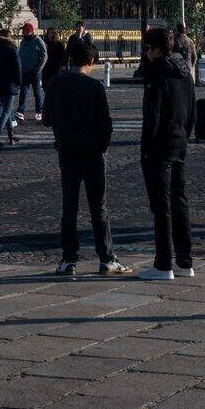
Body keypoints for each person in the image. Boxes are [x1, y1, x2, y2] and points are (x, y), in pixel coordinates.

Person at [43, 38, 130, 277]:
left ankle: (68, 259)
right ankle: (106, 258)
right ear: (90, 61)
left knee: (69, 207)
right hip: (92, 153)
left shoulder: (55, 83)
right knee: (98, 207)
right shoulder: (94, 87)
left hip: (67, 152)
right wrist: (101, 146)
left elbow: (47, 118)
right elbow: (105, 124)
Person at [137, 27, 194, 280]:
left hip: (159, 145)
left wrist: (147, 145)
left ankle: (163, 264)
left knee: (161, 206)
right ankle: (185, 261)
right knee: (179, 201)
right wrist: (184, 135)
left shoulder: (156, 71)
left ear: (156, 49)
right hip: (180, 141)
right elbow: (192, 109)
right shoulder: (184, 70)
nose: (145, 54)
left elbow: (153, 114)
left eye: (147, 48)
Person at [0, 26, 22, 148]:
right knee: (7, 109)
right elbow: (17, 68)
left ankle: (11, 136)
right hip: (10, 82)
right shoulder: (12, 49)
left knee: (8, 109)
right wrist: (19, 82)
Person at [18, 22, 48, 120]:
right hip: (24, 71)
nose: (24, 32)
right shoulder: (23, 41)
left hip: (35, 72)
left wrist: (38, 68)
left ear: (30, 31)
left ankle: (39, 111)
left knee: (37, 92)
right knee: (23, 92)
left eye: (26, 30)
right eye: (23, 30)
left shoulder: (38, 41)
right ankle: (21, 111)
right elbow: (20, 54)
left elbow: (44, 55)